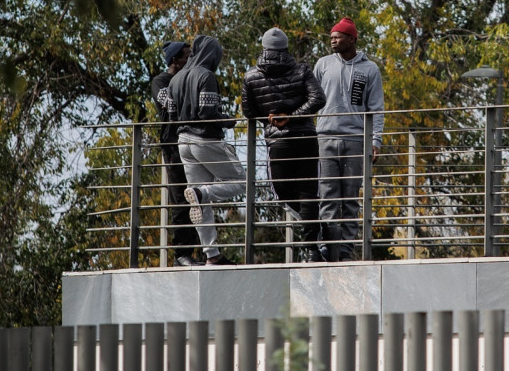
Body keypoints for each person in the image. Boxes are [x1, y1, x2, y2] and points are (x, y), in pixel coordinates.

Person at [242, 27, 328, 262]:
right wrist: (295, 115)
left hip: (277, 142)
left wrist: (272, 118)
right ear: (285, 47)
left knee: (282, 193)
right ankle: (312, 247)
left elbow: (248, 112)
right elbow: (318, 98)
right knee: (308, 193)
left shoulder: (251, 76)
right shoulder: (301, 70)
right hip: (306, 139)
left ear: (264, 47)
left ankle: (314, 238)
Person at [162, 35, 243, 265]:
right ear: (211, 54)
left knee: (199, 202)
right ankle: (201, 193)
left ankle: (212, 255)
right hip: (205, 140)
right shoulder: (206, 76)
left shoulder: (176, 79)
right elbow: (208, 113)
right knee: (242, 182)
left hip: (183, 142)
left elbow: (171, 114)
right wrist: (229, 121)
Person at [313, 17, 385, 262]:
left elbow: (376, 108)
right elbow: (311, 99)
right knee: (327, 196)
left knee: (351, 198)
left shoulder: (370, 69)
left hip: (356, 140)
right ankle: (327, 248)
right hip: (324, 138)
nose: (333, 39)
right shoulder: (322, 65)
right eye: (331, 36)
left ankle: (345, 251)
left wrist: (376, 141)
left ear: (352, 39)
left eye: (338, 36)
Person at [152, 41, 204, 266]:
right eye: (186, 56)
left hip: (193, 143)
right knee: (181, 199)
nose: (190, 60)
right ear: (174, 60)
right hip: (173, 145)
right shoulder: (160, 81)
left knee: (198, 197)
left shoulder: (188, 77)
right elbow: (170, 104)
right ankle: (181, 254)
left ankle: (201, 252)